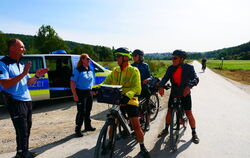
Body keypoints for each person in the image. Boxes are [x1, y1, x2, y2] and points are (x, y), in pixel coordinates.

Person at [0, 38, 48, 158]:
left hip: (27, 100)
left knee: (27, 128)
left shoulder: (21, 64)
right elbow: (5, 84)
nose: (24, 49)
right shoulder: (3, 63)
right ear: (12, 48)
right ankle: (21, 153)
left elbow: (29, 82)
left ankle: (23, 152)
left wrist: (37, 75)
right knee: (21, 129)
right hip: (15, 101)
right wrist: (22, 73)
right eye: (21, 47)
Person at [103, 47, 151, 158]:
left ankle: (142, 147)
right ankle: (110, 142)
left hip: (130, 100)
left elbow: (137, 88)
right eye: (116, 56)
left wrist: (127, 96)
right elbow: (107, 81)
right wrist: (97, 88)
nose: (116, 58)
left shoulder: (134, 70)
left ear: (125, 58)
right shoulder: (115, 70)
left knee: (135, 125)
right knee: (112, 121)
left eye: (118, 56)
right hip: (118, 99)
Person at [157, 50, 200, 144]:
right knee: (169, 111)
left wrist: (189, 86)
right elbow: (165, 78)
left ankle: (194, 133)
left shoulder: (189, 68)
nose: (172, 60)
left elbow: (196, 79)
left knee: (188, 113)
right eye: (172, 57)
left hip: (185, 93)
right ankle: (166, 129)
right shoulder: (171, 68)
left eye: (175, 58)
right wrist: (161, 86)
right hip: (174, 93)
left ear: (182, 59)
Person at [70, 53, 96, 137]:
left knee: (88, 110)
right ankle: (78, 129)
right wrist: (74, 94)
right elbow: (72, 82)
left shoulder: (90, 69)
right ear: (82, 60)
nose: (89, 60)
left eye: (89, 59)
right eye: (87, 59)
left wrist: (92, 90)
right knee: (81, 111)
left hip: (89, 92)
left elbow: (91, 81)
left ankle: (88, 126)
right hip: (80, 92)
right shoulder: (78, 70)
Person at [131, 49, 152, 131]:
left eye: (135, 55)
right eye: (132, 55)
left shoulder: (145, 65)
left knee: (147, 105)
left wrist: (147, 80)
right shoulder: (131, 66)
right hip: (134, 89)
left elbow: (150, 76)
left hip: (143, 88)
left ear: (140, 57)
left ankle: (148, 123)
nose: (133, 57)